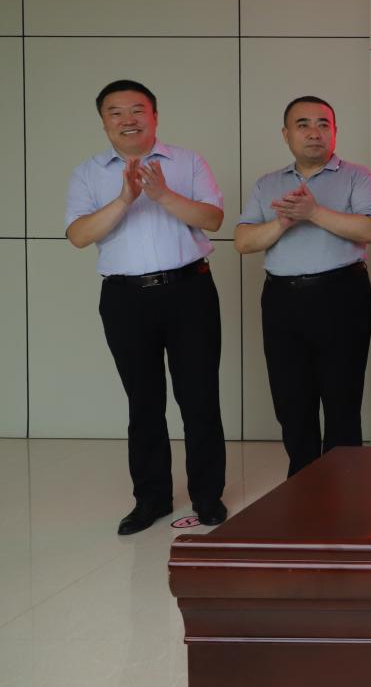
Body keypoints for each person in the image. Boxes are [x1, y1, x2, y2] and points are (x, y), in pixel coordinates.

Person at [65, 79, 227, 534]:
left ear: (154, 116)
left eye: (137, 109)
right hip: (125, 299)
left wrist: (162, 196)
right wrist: (125, 200)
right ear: (104, 122)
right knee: (143, 402)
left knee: (199, 398)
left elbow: (213, 219)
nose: (128, 119)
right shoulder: (88, 173)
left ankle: (208, 496)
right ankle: (151, 498)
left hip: (190, 291)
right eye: (115, 112)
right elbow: (79, 235)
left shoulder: (188, 162)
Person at [235, 96, 371, 477]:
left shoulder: (357, 176)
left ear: (335, 132)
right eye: (303, 124)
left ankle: (344, 487)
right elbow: (244, 241)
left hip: (343, 295)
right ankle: (302, 483)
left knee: (342, 398)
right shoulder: (268, 183)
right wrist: (283, 223)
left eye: (323, 124)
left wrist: (313, 212)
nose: (314, 132)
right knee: (291, 399)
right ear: (286, 134)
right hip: (282, 300)